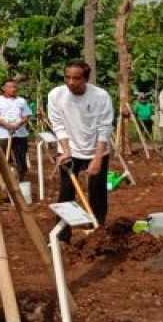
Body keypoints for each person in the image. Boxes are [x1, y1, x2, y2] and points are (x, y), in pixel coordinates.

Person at [47, 60, 114, 242]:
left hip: (97, 150)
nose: (70, 82)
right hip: (70, 150)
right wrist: (66, 150)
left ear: (86, 78)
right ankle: (62, 236)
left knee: (97, 191)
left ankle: (97, 229)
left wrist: (98, 158)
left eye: (76, 78)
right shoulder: (56, 95)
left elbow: (104, 127)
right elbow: (58, 124)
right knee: (66, 193)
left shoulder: (100, 96)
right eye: (67, 77)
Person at [0, 79, 32, 177]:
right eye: (10, 87)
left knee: (21, 157)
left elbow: (26, 116)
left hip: (20, 133)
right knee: (2, 157)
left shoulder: (21, 101)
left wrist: (18, 124)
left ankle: (21, 176)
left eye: (15, 87)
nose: (13, 89)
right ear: (3, 88)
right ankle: (4, 177)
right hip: (3, 134)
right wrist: (6, 125)